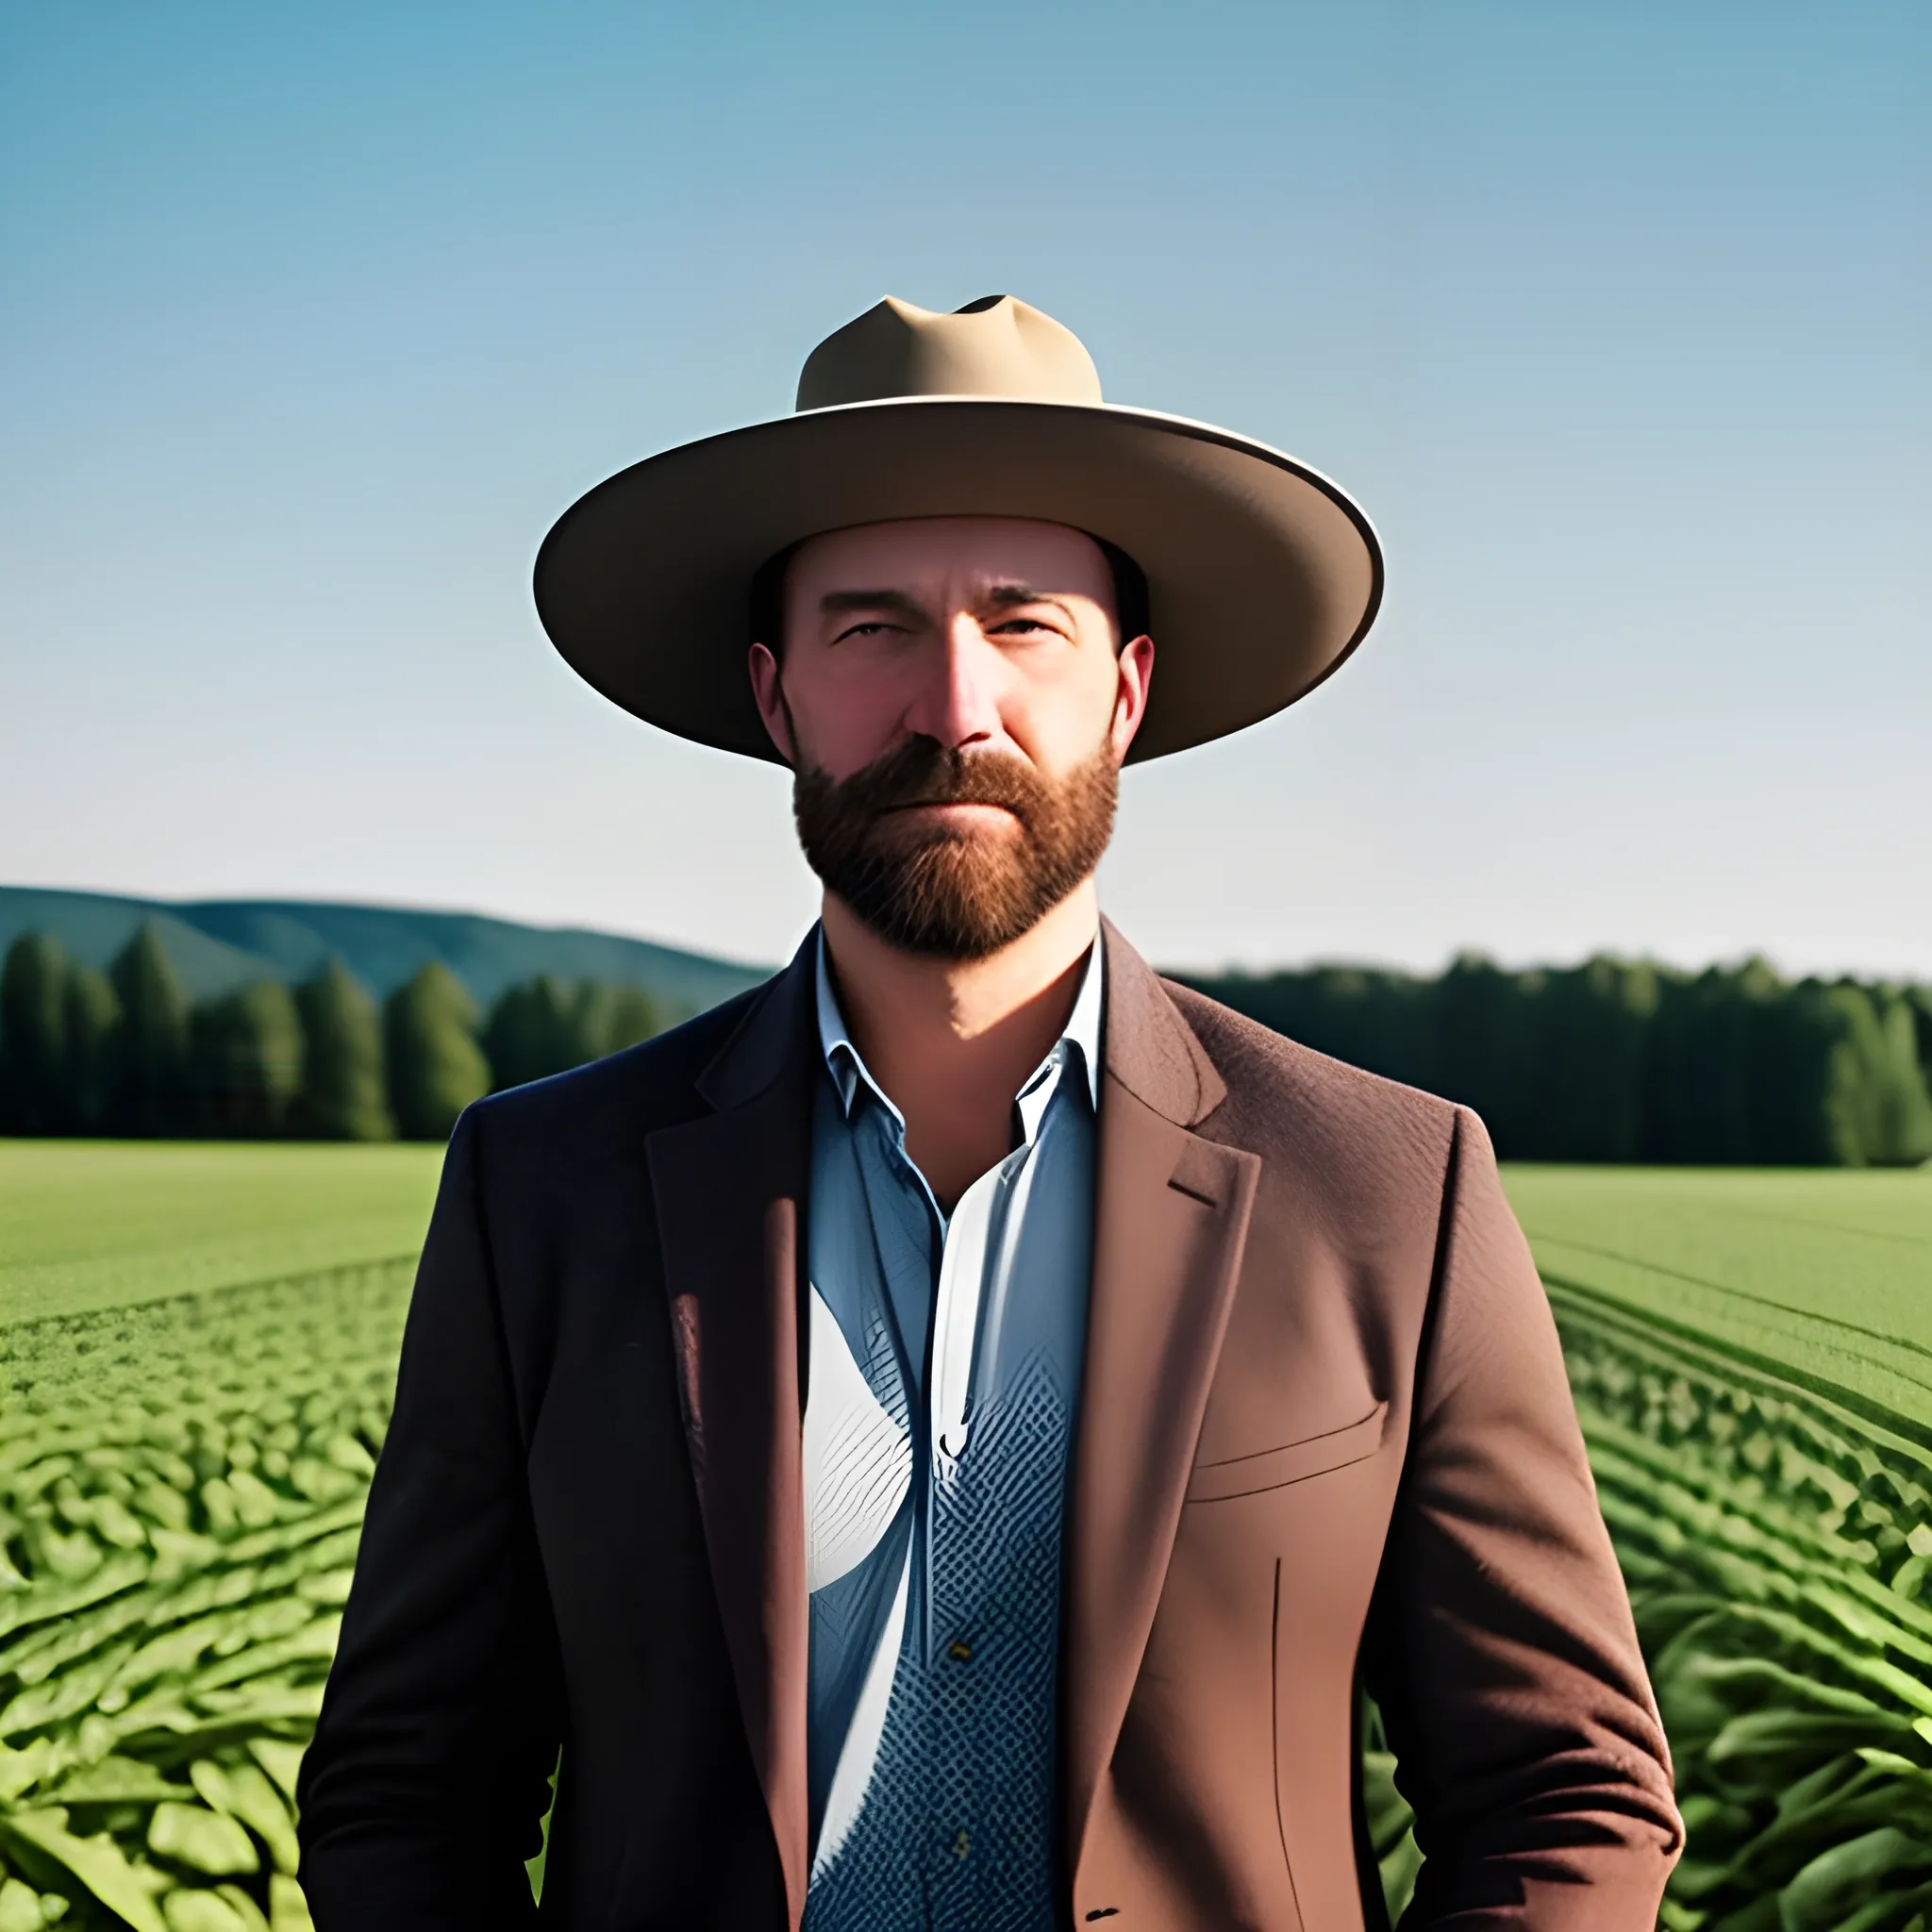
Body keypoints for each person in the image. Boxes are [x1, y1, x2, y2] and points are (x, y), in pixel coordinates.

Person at [296, 295, 1681, 1930]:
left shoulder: (1389, 1189)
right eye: (872, 629)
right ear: (775, 697)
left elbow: (1566, 1789)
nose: (954, 707)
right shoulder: (545, 1191)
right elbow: (407, 1791)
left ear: (1127, 692)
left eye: (1025, 625)